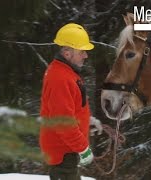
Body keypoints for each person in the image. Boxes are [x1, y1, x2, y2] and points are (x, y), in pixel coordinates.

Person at [39, 23, 102, 180]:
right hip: (63, 154)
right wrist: (83, 149)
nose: (85, 55)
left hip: (66, 151)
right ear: (67, 53)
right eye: (82, 51)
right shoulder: (60, 78)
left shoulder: (65, 72)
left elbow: (71, 108)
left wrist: (86, 122)